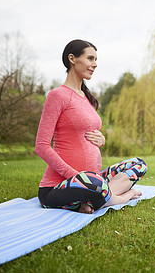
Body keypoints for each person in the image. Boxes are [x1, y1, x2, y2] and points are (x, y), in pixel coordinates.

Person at [35, 39, 147, 214]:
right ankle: (118, 198)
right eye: (90, 58)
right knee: (93, 183)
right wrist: (75, 176)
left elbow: (83, 133)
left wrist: (101, 139)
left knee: (138, 165)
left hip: (92, 180)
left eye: (95, 60)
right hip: (60, 186)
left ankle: (94, 199)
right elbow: (41, 146)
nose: (95, 64)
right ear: (72, 59)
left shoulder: (86, 98)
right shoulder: (57, 96)